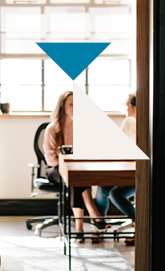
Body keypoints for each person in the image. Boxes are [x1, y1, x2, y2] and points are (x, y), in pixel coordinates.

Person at [43, 90, 108, 243]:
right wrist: (67, 165)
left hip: (76, 169)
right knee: (72, 176)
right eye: (71, 104)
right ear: (62, 107)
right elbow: (50, 158)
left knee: (75, 178)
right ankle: (92, 214)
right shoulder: (52, 129)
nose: (75, 107)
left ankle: (79, 229)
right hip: (55, 169)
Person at [95, 92, 137, 245]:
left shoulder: (136, 123)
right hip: (128, 167)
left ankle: (138, 225)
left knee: (113, 192)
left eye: (127, 105)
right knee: (107, 189)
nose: (125, 109)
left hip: (138, 172)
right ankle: (99, 227)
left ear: (135, 106)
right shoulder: (130, 122)